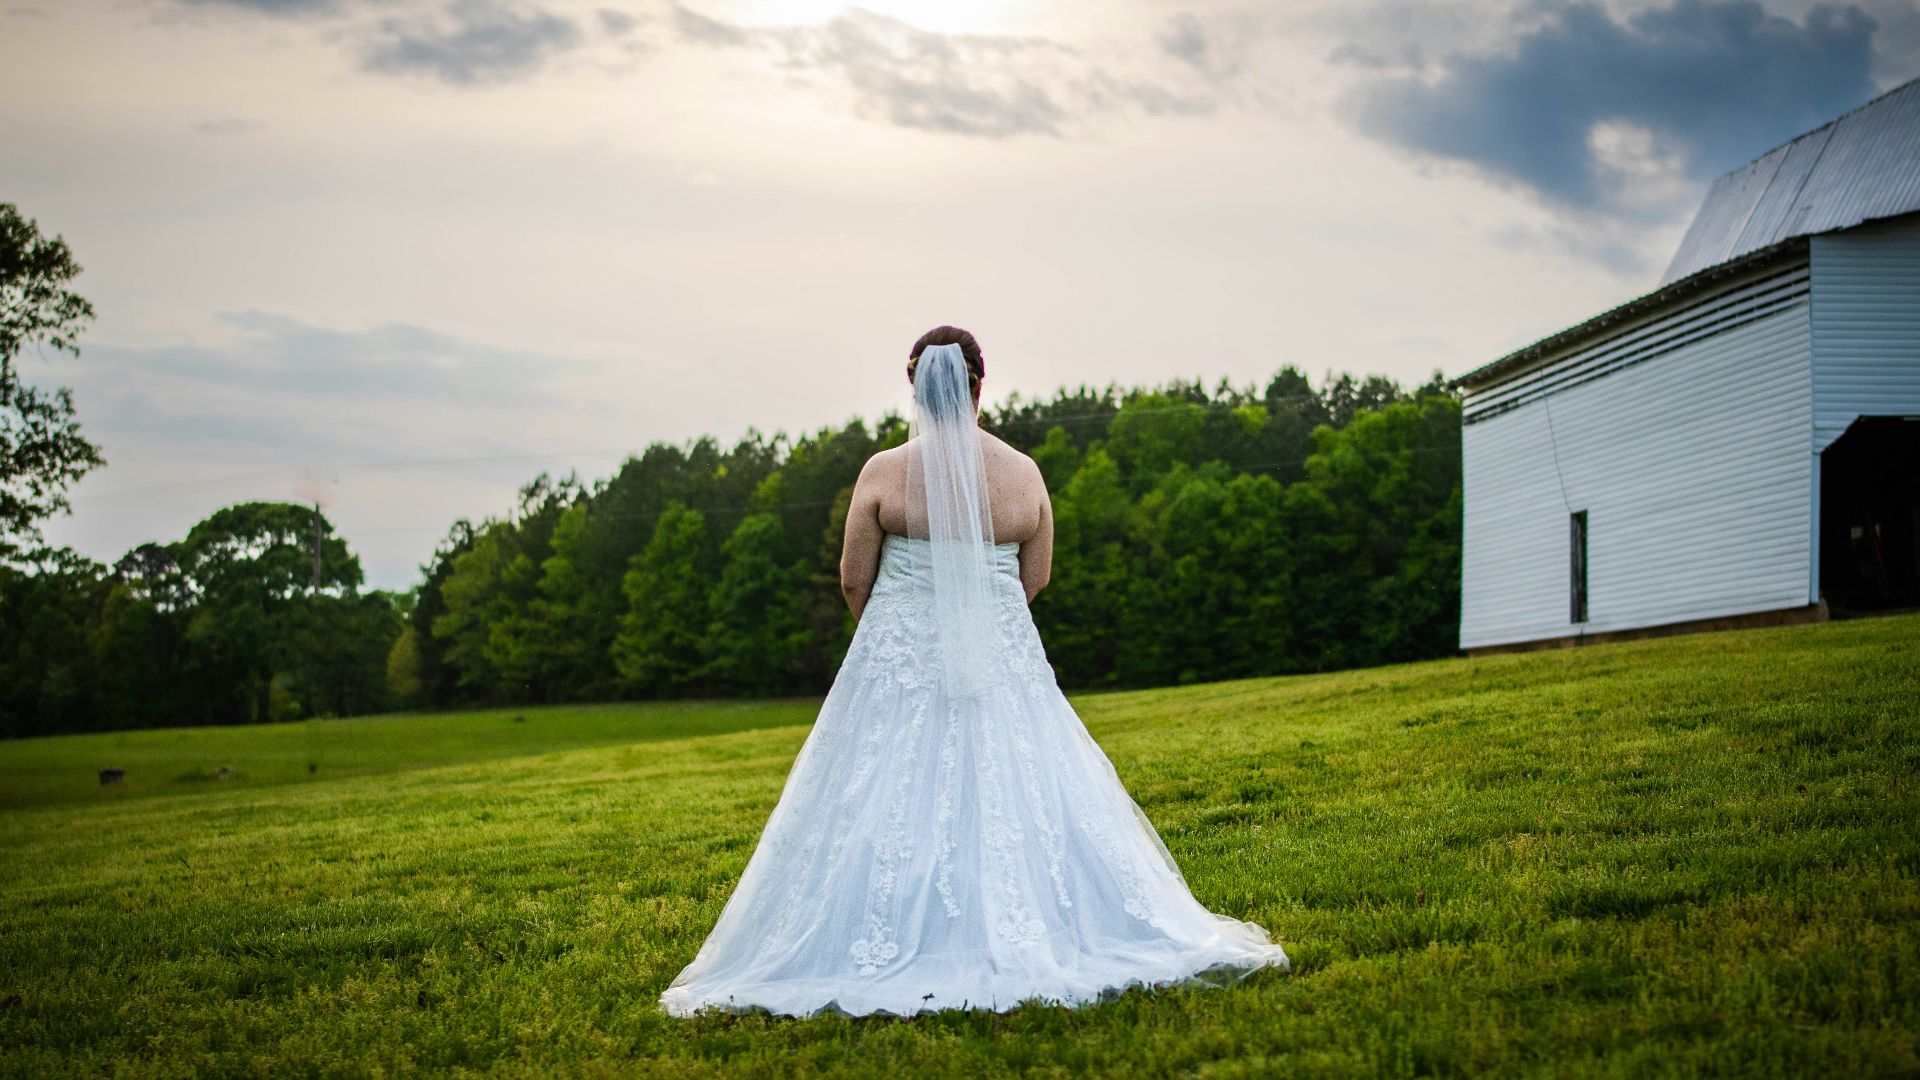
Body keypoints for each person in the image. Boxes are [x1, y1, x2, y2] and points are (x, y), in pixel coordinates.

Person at [659, 326, 1289, 1018]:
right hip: (1000, 655)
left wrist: (900, 633)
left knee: (882, 788)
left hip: (897, 659)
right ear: (981, 385)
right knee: (1019, 780)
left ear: (915, 388)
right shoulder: (1024, 474)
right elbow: (1038, 575)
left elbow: (851, 578)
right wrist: (980, 620)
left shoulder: (883, 472)